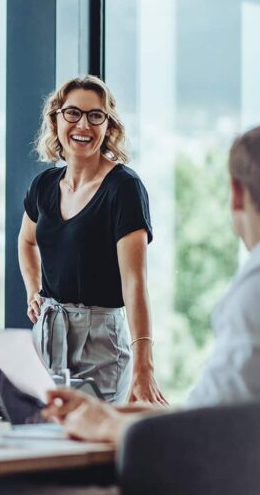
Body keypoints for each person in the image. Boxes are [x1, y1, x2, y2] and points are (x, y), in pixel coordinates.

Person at [45, 120, 260, 446]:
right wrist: (116, 413)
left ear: (236, 194)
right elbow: (220, 410)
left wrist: (104, 424)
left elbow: (203, 434)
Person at [18, 75, 165, 404]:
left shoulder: (124, 188)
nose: (82, 124)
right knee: (43, 440)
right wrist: (33, 290)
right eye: (72, 113)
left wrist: (145, 365)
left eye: (95, 115)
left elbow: (135, 282)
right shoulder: (43, 186)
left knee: (93, 445)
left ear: (108, 126)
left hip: (100, 340)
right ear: (56, 119)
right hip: (48, 332)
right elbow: (26, 242)